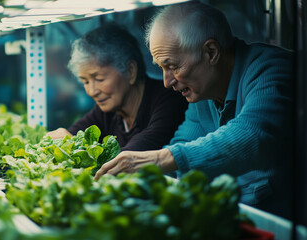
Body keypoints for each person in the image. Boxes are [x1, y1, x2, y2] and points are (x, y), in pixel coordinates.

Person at [95, 1, 294, 219]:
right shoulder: (203, 92)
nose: (166, 81)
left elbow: (252, 134)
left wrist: (161, 160)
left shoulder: (273, 68)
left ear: (211, 52)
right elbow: (183, 142)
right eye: (161, 68)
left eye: (172, 66)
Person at [47, 24, 188, 151]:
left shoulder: (169, 100)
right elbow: (73, 134)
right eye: (86, 82)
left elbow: (138, 152)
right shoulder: (107, 111)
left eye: (100, 79)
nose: (92, 91)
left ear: (131, 71)